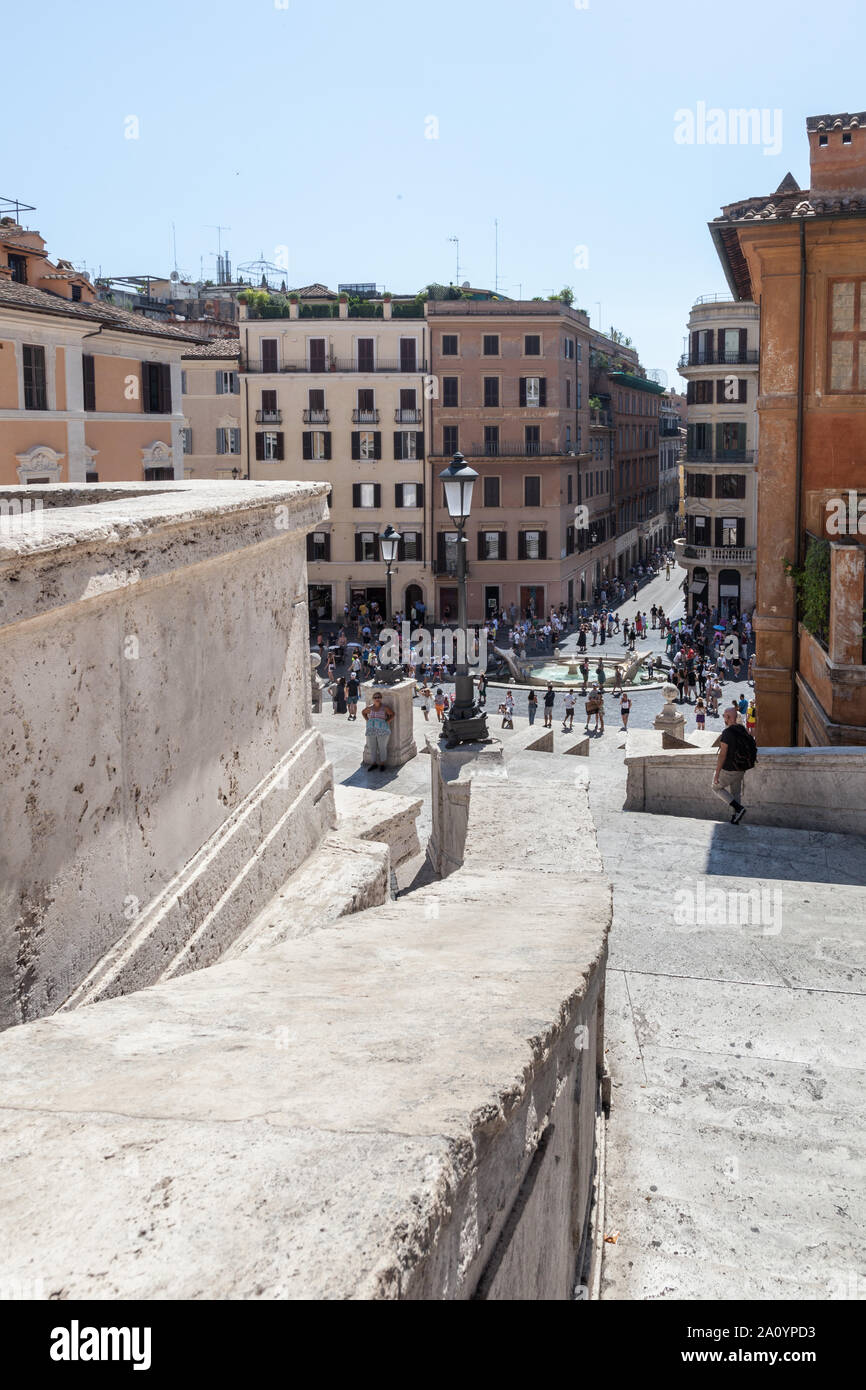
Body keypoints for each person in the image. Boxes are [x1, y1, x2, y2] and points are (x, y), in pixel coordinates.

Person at [711, 707, 756, 824]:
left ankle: (739, 808)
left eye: (724, 716)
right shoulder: (742, 728)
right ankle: (735, 817)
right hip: (741, 768)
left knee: (716, 787)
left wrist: (717, 774)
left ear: (728, 718)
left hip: (729, 769)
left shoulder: (726, 733)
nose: (723, 718)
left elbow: (722, 755)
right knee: (735, 793)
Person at [361, 690, 394, 771]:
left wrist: (387, 721)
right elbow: (363, 712)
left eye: (379, 697)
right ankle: (374, 764)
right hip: (371, 730)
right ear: (373, 699)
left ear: (381, 698)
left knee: (382, 747)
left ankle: (382, 764)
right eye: (375, 697)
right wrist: (368, 720)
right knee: (372, 747)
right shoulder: (370, 708)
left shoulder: (384, 708)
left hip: (383, 730)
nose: (377, 699)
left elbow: (392, 714)